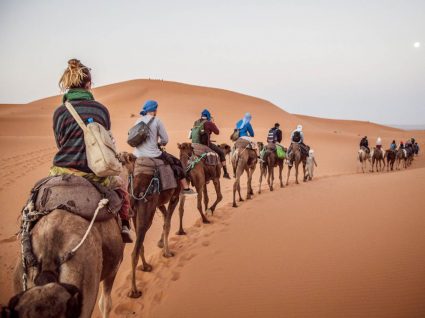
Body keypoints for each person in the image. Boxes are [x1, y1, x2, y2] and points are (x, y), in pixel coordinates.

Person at [51, 59, 132, 243]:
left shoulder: (59, 112)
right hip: (93, 173)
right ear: (88, 84)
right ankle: (126, 225)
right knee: (121, 186)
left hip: (62, 171)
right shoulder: (101, 110)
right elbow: (107, 142)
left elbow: (60, 142)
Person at [134, 100, 196, 195]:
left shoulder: (138, 121)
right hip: (153, 154)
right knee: (177, 163)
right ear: (154, 109)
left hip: (137, 154)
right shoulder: (157, 121)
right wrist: (160, 143)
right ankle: (186, 188)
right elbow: (165, 140)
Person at [192, 109, 230, 179]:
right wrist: (213, 123)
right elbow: (217, 132)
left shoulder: (196, 122)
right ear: (208, 116)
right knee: (221, 153)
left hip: (194, 144)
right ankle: (225, 173)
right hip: (206, 144)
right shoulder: (208, 123)